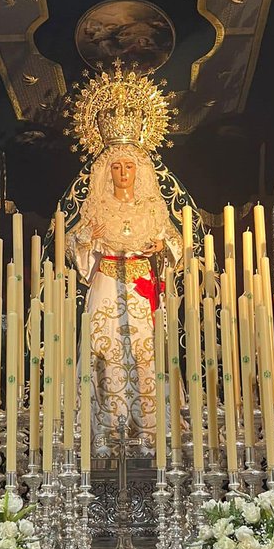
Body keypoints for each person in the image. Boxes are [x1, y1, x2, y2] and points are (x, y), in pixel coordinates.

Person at [68, 141, 182, 445]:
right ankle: (104, 426)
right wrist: (85, 238)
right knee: (104, 347)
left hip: (141, 283)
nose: (123, 173)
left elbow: (176, 241)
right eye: (116, 167)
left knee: (145, 350)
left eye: (129, 166)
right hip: (106, 281)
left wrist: (162, 247)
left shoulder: (151, 207)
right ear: (107, 172)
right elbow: (77, 245)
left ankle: (148, 427)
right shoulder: (96, 207)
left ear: (138, 171)